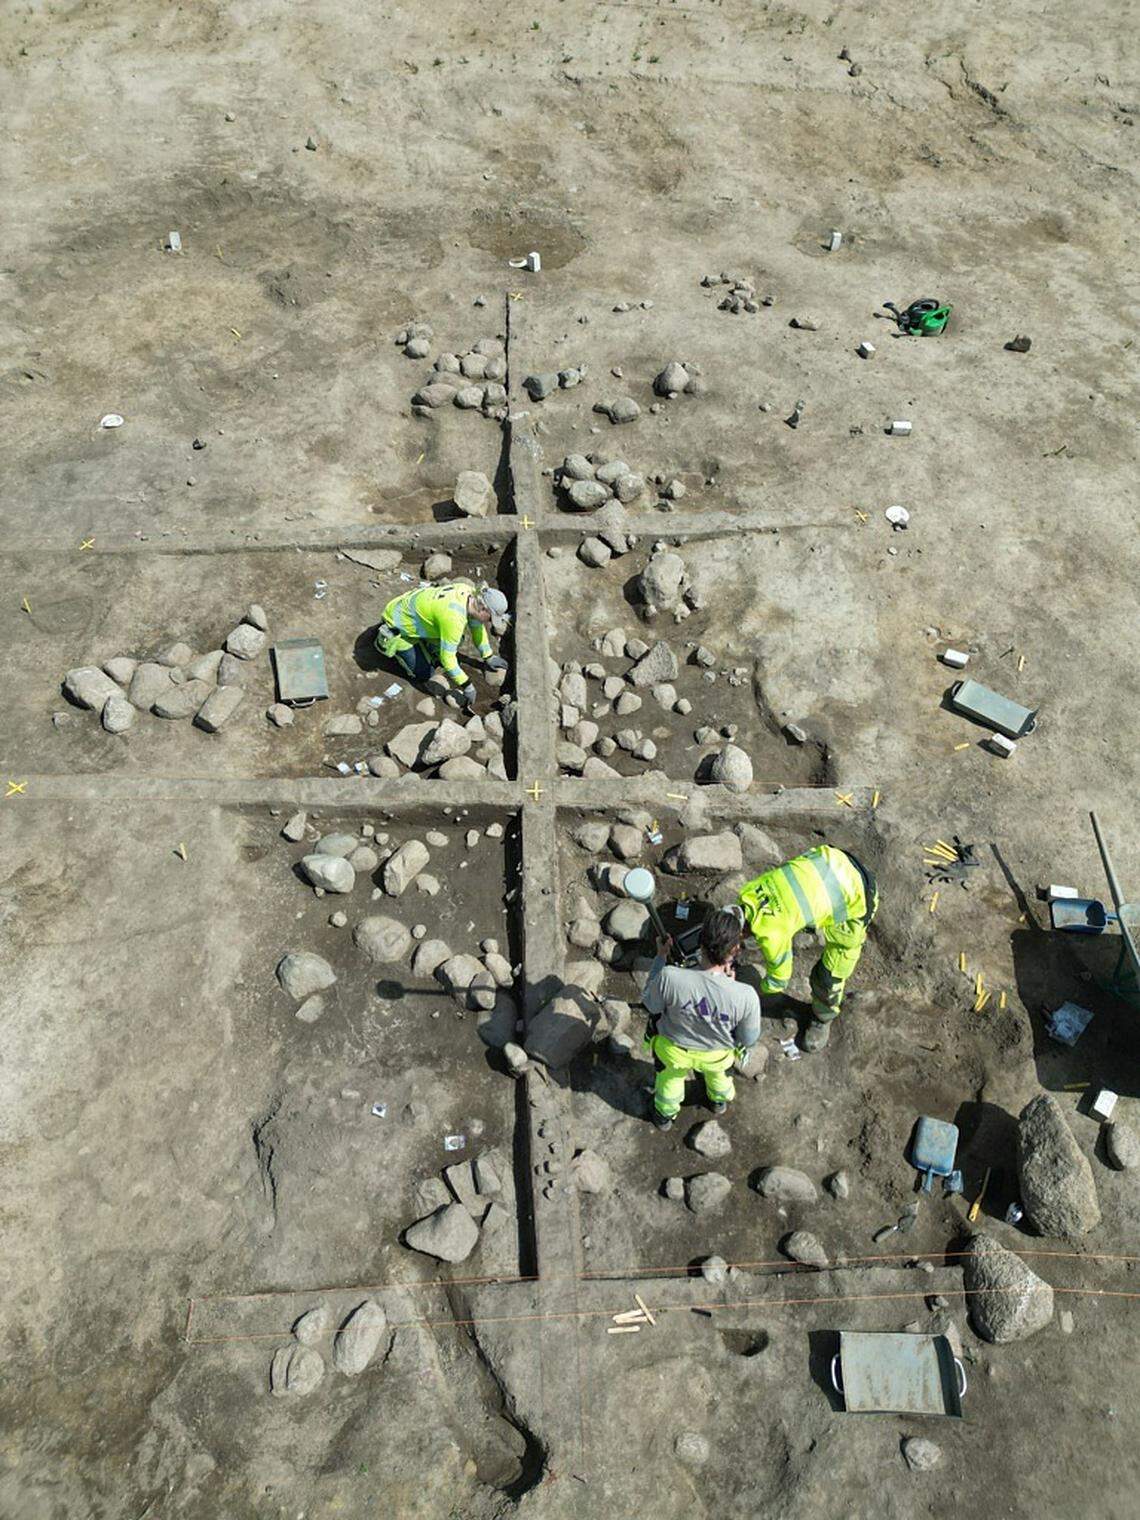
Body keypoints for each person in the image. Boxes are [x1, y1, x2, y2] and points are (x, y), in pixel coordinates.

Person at [737, 844, 877, 1052]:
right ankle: (759, 933)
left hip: (856, 894)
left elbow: (778, 981)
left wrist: (752, 991)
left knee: (829, 976)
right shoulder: (746, 893)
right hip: (829, 860)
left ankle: (822, 1016)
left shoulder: (773, 935)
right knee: (790, 914)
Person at [641, 908, 761, 1132]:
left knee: (669, 1082)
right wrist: (730, 985)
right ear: (735, 950)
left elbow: (651, 1004)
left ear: (700, 942)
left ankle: (664, 1116)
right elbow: (748, 1039)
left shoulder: (670, 976)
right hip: (717, 1056)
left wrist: (660, 958)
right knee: (720, 1078)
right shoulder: (746, 995)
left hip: (674, 1052)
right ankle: (718, 1102)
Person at [374, 580, 509, 708]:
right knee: (425, 674)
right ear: (483, 608)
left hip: (414, 612)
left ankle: (425, 646)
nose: (489, 622)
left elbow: (477, 628)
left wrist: (488, 656)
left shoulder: (470, 595)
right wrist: (467, 685)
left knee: (456, 640)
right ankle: (391, 643)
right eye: (490, 618)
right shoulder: (453, 618)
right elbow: (447, 658)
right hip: (397, 623)